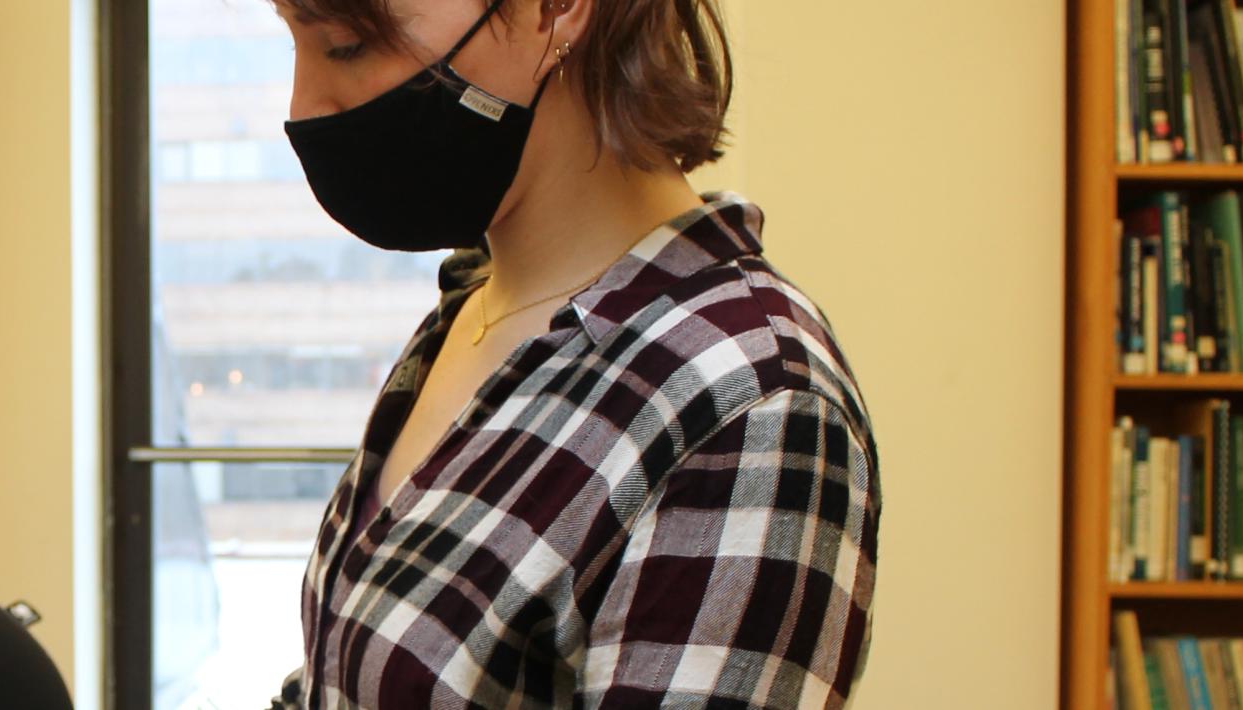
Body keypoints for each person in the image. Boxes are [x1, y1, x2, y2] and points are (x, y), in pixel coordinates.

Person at [270, 0, 879, 706]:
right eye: (295, 45)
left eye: (346, 47)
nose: (304, 104)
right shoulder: (474, 307)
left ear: (556, 10)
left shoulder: (749, 405)